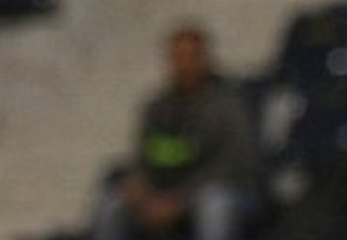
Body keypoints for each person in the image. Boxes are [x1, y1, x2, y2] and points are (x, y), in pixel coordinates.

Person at [93, 22, 259, 240]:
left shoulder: (228, 107)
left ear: (204, 60)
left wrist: (180, 200)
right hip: (165, 194)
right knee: (112, 204)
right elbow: (143, 158)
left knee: (214, 206)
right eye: (177, 58)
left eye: (190, 57)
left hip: (219, 192)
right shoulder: (157, 108)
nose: (183, 65)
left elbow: (230, 168)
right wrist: (139, 187)